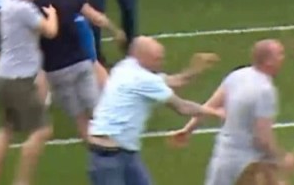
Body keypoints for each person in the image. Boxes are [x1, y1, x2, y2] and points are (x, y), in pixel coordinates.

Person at [88, 37, 222, 185]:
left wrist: (195, 69)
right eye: (157, 59)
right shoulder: (144, 79)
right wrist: (216, 112)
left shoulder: (125, 67)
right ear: (142, 57)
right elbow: (182, 107)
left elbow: (173, 81)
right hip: (111, 158)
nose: (162, 63)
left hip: (121, 153)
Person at [171, 40, 294, 185]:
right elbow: (263, 138)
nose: (283, 57)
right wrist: (281, 158)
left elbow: (208, 106)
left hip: (227, 155)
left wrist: (188, 129)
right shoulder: (265, 91)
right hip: (244, 161)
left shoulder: (237, 75)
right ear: (268, 61)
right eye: (280, 54)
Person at [0, 0, 58, 185]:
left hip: (4, 79)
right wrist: (52, 15)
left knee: (7, 130)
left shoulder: (9, 3)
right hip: (19, 82)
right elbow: (50, 31)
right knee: (42, 130)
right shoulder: (23, 9)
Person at [32, 0, 114, 139]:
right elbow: (96, 17)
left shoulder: (32, 4)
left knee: (80, 119)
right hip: (81, 62)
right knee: (98, 111)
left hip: (56, 68)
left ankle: (96, 152)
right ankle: (112, 146)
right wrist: (115, 30)